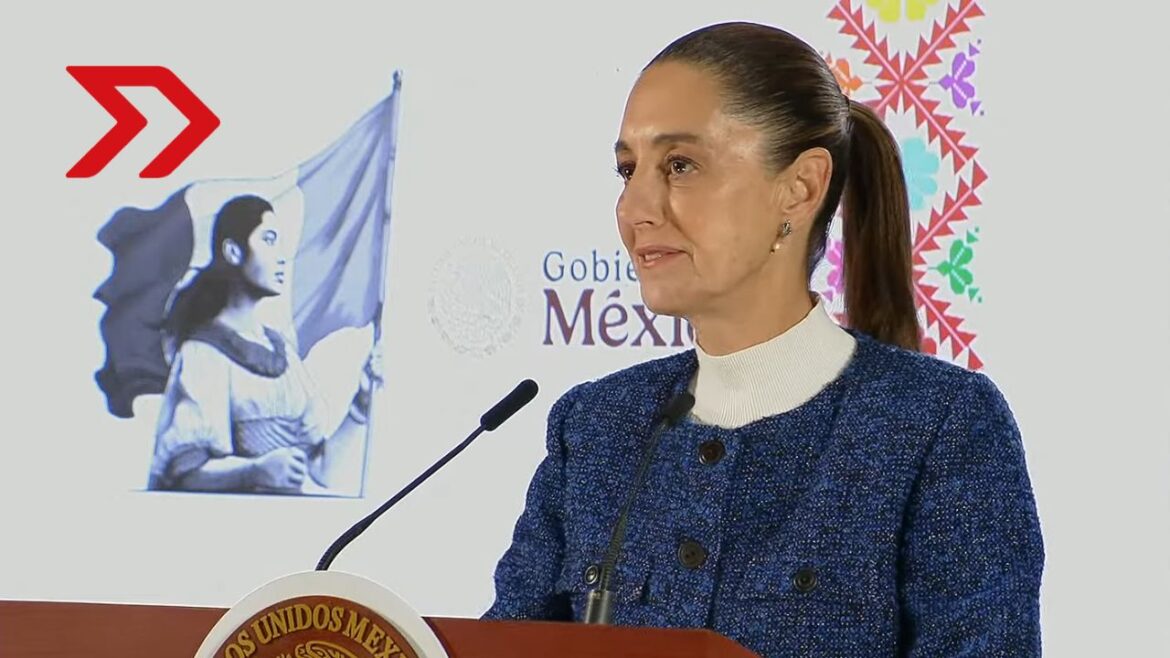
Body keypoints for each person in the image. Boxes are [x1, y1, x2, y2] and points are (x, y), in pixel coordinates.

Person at [483, 22, 1044, 657]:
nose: (635, 208)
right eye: (627, 170)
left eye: (680, 165)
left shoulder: (941, 425)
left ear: (800, 188)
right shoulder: (594, 426)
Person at [147, 194, 381, 495]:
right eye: (269, 240)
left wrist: (361, 404)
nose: (282, 256)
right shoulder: (204, 353)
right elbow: (184, 475)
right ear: (233, 251)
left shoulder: (282, 352)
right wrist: (254, 471)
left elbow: (322, 471)